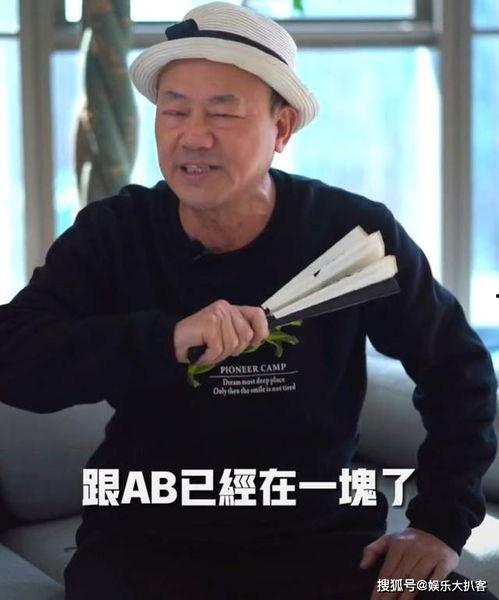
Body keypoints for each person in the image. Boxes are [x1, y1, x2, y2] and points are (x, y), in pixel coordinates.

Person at [0, 2, 496, 599]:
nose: (192, 135)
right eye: (174, 110)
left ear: (282, 129)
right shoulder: (115, 233)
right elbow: (15, 356)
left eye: (222, 112)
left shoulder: (351, 237)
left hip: (322, 538)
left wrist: (439, 524)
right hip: (148, 545)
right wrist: (166, 338)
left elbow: (458, 370)